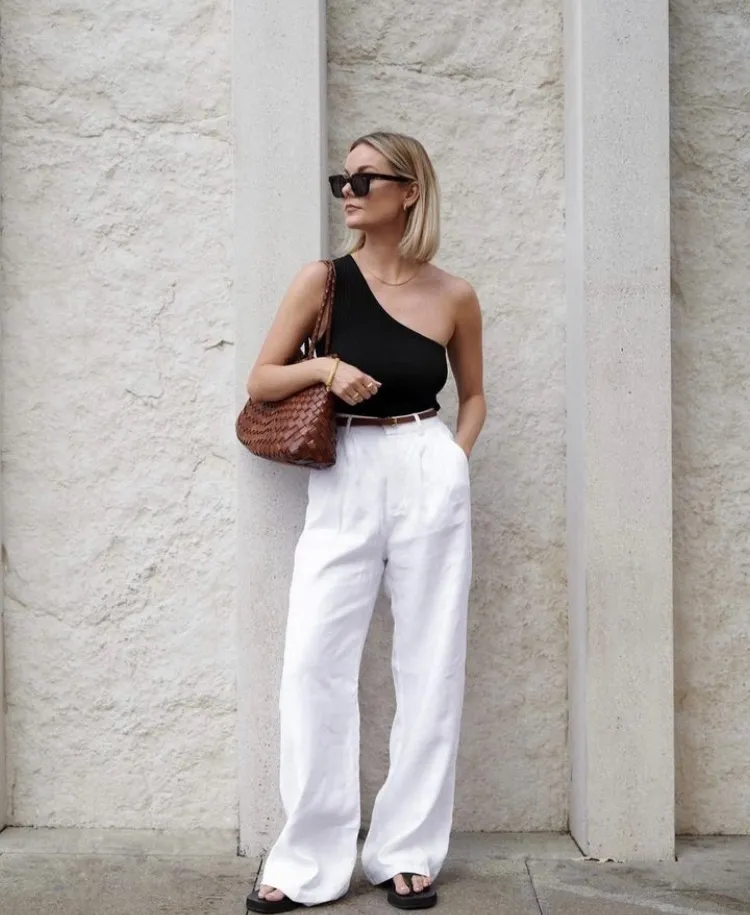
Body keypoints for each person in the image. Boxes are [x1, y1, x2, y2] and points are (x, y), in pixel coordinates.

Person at [244, 131, 486, 913]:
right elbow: (261, 378)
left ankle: (407, 849)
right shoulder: (323, 280)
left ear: (409, 191)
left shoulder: (454, 295)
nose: (347, 191)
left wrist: (452, 460)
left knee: (431, 662)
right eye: (340, 180)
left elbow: (474, 397)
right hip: (345, 468)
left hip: (425, 463)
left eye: (363, 178)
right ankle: (308, 858)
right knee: (313, 662)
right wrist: (325, 366)